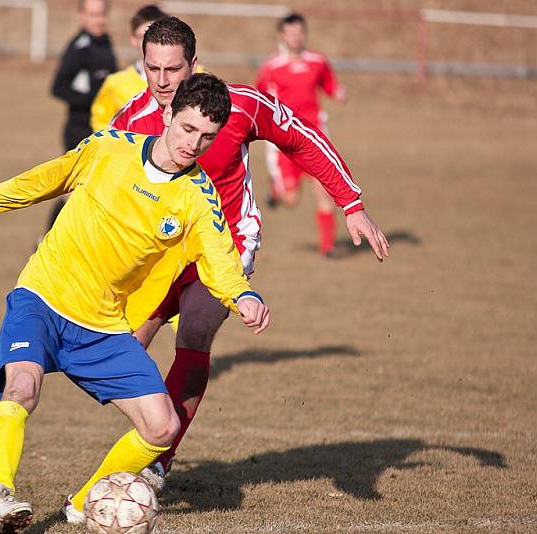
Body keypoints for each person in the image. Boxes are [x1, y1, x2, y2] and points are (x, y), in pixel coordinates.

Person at [0, 73, 271, 533]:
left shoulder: (199, 198)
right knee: (22, 388)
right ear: (167, 115)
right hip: (43, 295)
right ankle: (2, 497)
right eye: (186, 129)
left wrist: (244, 295)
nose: (193, 144)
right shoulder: (109, 148)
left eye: (206, 137)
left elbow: (220, 260)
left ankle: (81, 503)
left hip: (102, 324)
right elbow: (50, 177)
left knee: (162, 428)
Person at [110, 16, 389, 493]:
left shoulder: (238, 105)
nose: (160, 81)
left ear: (193, 64)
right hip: (159, 250)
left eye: (172, 69)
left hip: (226, 245)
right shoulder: (129, 122)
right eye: (151, 67)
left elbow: (302, 139)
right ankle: (152, 437)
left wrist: (351, 204)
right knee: (123, 351)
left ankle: (158, 461)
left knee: (195, 330)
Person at [257, 13, 347, 257]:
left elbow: (330, 86)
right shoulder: (271, 67)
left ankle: (328, 247)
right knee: (291, 200)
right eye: (291, 33)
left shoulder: (318, 61)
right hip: (284, 142)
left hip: (314, 137)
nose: (296, 38)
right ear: (282, 36)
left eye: (300, 33)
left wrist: (338, 93)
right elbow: (260, 99)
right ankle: (277, 189)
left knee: (324, 191)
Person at [46, 0, 116, 234]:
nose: (99, 19)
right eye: (93, 15)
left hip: (102, 129)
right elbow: (58, 87)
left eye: (102, 14)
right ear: (81, 17)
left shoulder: (105, 42)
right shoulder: (79, 48)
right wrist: (94, 100)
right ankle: (46, 240)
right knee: (73, 191)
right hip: (79, 130)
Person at [89, 4, 166, 133]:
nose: (150, 42)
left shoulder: (193, 76)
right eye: (143, 36)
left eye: (157, 35)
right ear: (133, 39)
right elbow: (101, 125)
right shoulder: (115, 83)